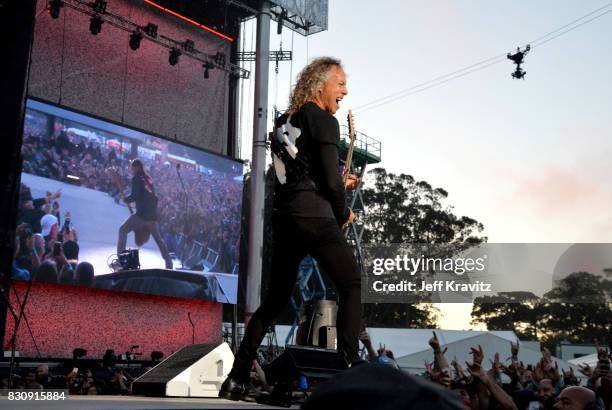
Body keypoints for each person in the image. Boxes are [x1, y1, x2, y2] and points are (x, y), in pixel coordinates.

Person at [219, 57, 361, 401]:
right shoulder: (324, 119)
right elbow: (329, 180)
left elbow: (300, 172)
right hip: (316, 218)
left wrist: (337, 184)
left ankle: (236, 379)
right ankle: (349, 374)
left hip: (285, 218)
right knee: (352, 285)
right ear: (320, 85)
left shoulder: (284, 122)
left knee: (275, 300)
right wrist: (343, 210)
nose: (346, 89)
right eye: (340, 82)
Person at [117, 159, 172, 269]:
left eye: (132, 168)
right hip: (152, 216)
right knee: (159, 240)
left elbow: (135, 195)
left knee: (122, 230)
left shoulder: (137, 179)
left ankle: (121, 260)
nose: (131, 170)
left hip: (142, 216)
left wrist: (126, 199)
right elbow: (153, 197)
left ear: (137, 167)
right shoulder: (148, 179)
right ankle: (169, 262)